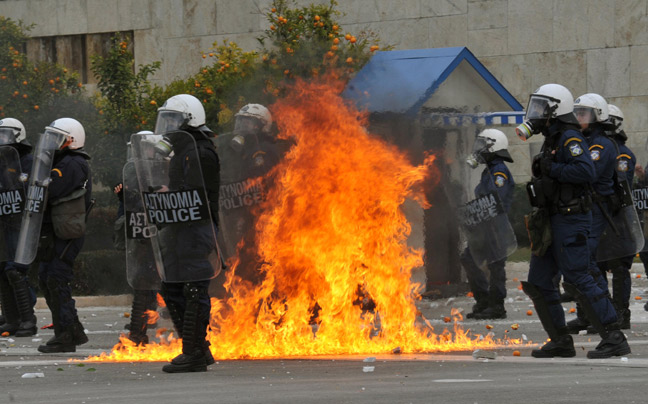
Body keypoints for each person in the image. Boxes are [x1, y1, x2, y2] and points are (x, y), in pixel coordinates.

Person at [517, 83, 630, 359]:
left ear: (556, 109)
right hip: (551, 219)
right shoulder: (553, 138)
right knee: (539, 281)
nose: (537, 113)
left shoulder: (570, 138)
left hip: (571, 220)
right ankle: (560, 340)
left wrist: (552, 168)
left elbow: (585, 170)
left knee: (579, 278)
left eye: (542, 108)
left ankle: (614, 337)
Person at [142, 94, 220, 373]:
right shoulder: (183, 151)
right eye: (167, 119)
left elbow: (199, 193)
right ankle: (199, 347)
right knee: (171, 284)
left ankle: (194, 353)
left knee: (193, 285)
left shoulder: (201, 152)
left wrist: (172, 194)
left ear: (190, 120)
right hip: (179, 226)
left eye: (174, 120)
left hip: (197, 227)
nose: (169, 126)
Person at [28, 118, 92, 353]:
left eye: (58, 138)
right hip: (56, 231)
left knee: (56, 278)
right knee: (48, 278)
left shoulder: (73, 163)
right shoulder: (60, 161)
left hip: (66, 232)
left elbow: (52, 189)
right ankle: (71, 330)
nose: (52, 143)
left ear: (72, 141)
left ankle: (66, 334)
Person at [565, 93, 618, 334]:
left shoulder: (601, 145)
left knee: (587, 261)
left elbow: (588, 173)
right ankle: (586, 313)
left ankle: (603, 313)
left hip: (597, 208)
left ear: (598, 116)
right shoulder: (583, 142)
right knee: (580, 261)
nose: (578, 117)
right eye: (576, 112)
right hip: (584, 207)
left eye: (583, 113)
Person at [461, 129, 515, 320]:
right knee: (469, 258)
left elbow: (495, 198)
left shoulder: (499, 171)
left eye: (483, 145)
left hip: (495, 226)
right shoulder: (489, 171)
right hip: (484, 227)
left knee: (495, 265)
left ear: (494, 147)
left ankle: (497, 306)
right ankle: (483, 301)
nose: (479, 150)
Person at [595, 104, 636, 329]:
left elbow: (622, 183)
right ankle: (604, 313)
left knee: (619, 268)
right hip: (599, 217)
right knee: (598, 265)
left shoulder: (622, 153)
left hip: (617, 219)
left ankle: (622, 313)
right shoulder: (598, 147)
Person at [0, 118, 36, 337]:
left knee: (15, 270)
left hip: (21, 221)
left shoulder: (28, 160)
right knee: (2, 269)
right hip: (4, 221)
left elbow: (28, 180)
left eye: (6, 134)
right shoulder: (2, 162)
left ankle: (27, 319)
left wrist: (16, 177)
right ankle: (12, 319)